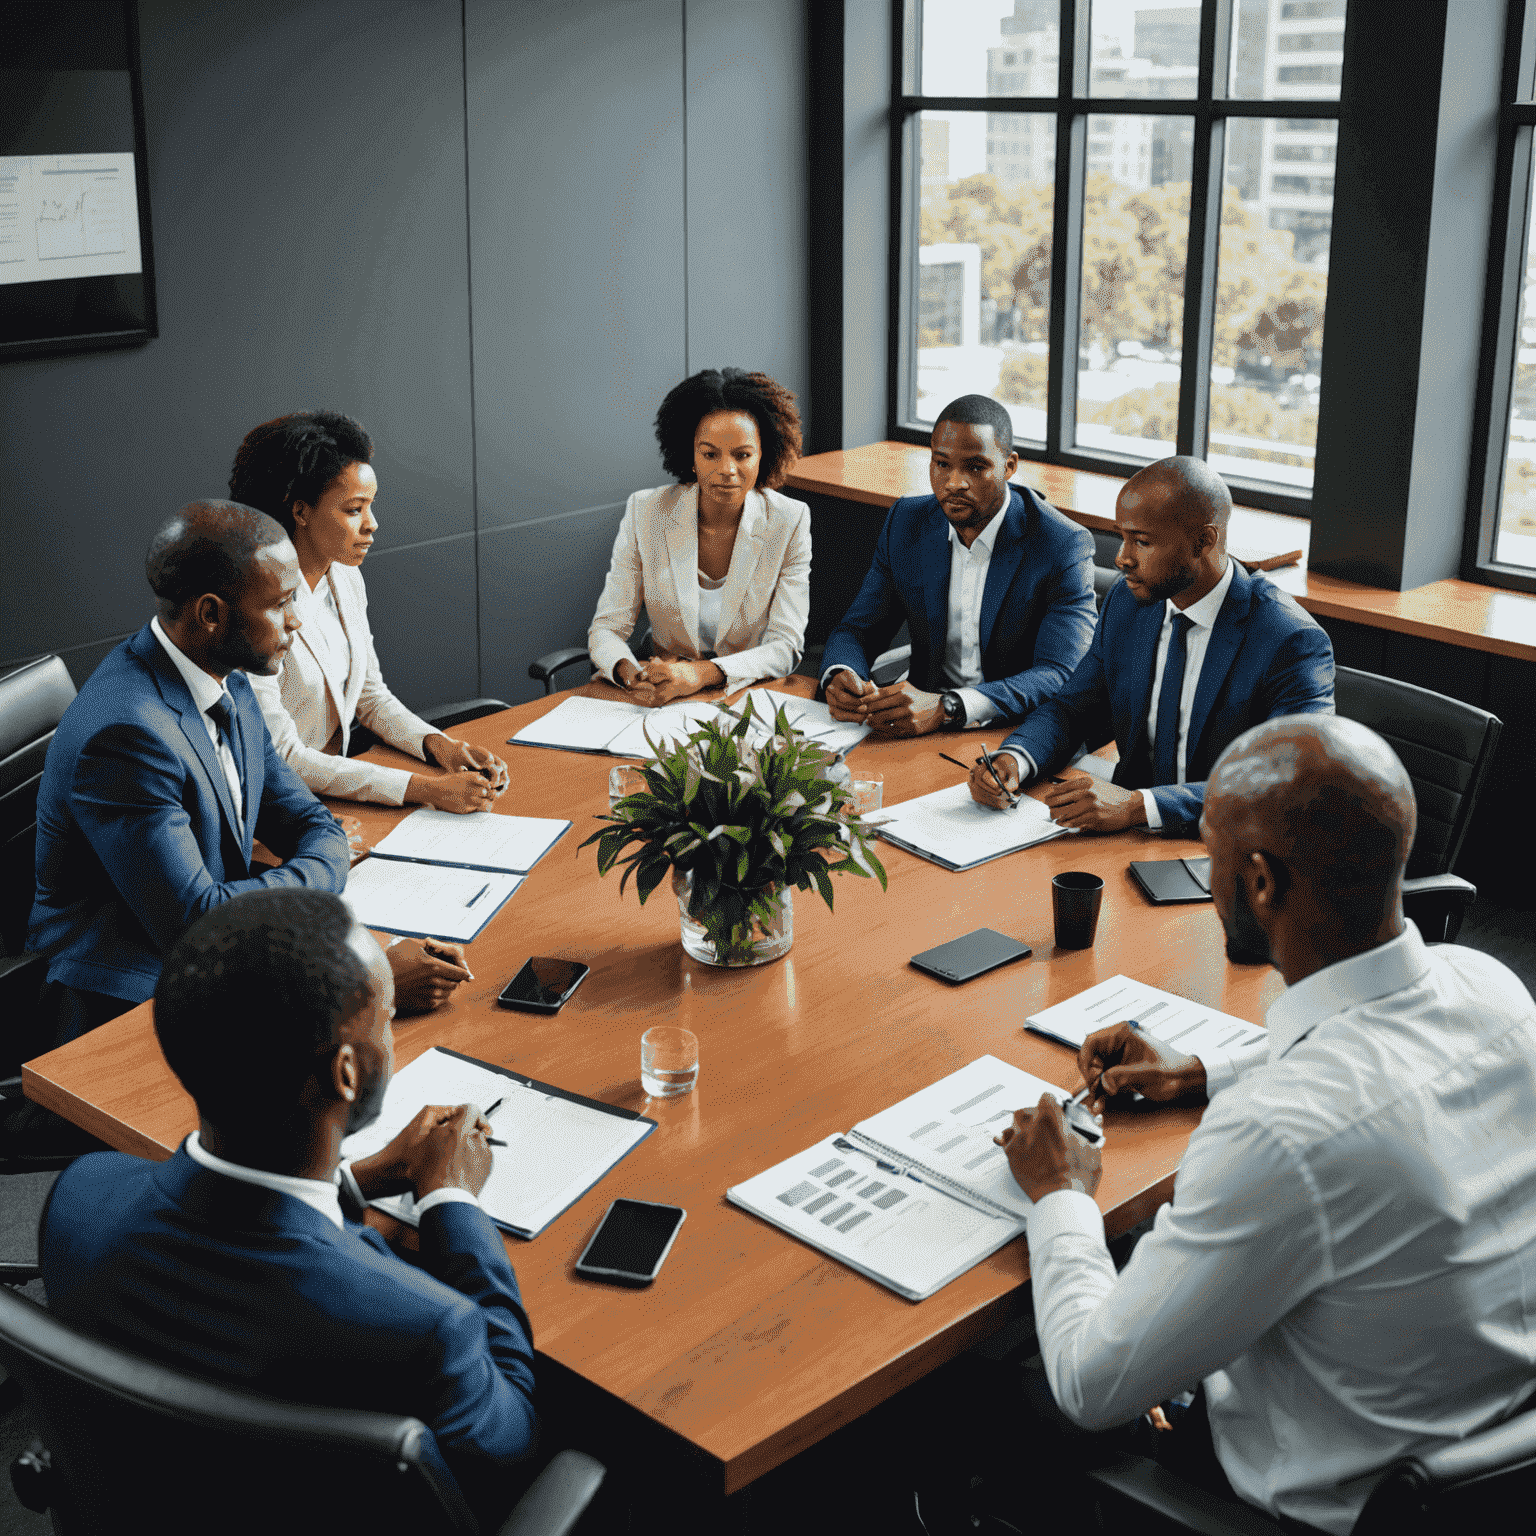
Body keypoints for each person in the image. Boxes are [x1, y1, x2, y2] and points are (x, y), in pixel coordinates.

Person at [995, 715, 1536, 1534]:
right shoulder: (1494, 990)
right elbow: (1374, 1063)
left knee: (1008, 1383)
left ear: (1257, 882)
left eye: (1208, 852)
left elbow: (1091, 1388)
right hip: (1476, 1448)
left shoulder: (1279, 1136)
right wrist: (1201, 1071)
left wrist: (1061, 1192)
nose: (1202, 873)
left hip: (1298, 1504)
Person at [40, 888, 538, 1526]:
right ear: (349, 1074)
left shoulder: (82, 1194)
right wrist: (451, 1201)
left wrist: (354, 1180)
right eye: (387, 1018)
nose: (389, 1030)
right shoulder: (424, 1328)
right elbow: (512, 1442)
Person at [25, 500, 468, 1056]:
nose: (297, 621)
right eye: (282, 604)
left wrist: (315, 861)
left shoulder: (226, 674)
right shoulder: (127, 736)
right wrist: (357, 970)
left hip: (217, 944)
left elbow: (305, 818)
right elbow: (199, 925)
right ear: (212, 613)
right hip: (133, 1002)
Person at [968, 455, 1334, 837]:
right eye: (1123, 537)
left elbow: (1289, 781)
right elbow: (1073, 709)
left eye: (1142, 542)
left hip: (1227, 849)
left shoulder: (1289, 639)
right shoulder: (1128, 604)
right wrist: (1016, 757)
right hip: (1127, 838)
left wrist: (1140, 808)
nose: (1122, 558)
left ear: (1203, 541)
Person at [230, 409, 508, 812]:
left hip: (340, 795)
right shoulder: (252, 604)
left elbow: (370, 696)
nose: (371, 524)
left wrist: (440, 746)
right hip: (276, 811)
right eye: (353, 509)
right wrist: (424, 788)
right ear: (301, 510)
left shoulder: (344, 577)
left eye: (371, 506)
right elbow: (283, 756)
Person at [820, 394, 1096, 736]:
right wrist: (841, 673)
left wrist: (951, 706)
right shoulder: (907, 522)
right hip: (917, 722)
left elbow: (1060, 672)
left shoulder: (1060, 544)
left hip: (1013, 729)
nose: (953, 483)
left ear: (1009, 466)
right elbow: (859, 629)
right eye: (942, 464)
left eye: (976, 468)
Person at [587, 367, 812, 703]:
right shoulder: (647, 511)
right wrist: (631, 674)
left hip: (744, 695)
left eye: (743, 455)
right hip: (663, 695)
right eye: (710, 454)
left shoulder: (789, 520)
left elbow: (786, 645)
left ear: (764, 454)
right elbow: (607, 628)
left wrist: (701, 674)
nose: (727, 470)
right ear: (690, 456)